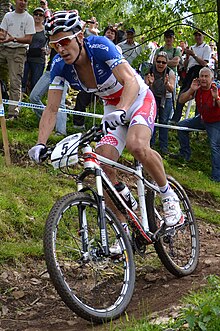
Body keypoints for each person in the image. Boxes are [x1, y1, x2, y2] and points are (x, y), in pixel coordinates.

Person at [28, 10, 184, 231]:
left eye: (64, 41)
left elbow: (129, 80)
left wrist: (122, 109)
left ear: (79, 36)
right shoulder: (59, 65)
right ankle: (122, 228)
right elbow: (52, 108)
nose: (61, 49)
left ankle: (168, 195)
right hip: (112, 107)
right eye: (55, 45)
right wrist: (40, 143)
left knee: (137, 145)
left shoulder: (100, 46)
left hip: (138, 98)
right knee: (102, 161)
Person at [172, 67, 220, 182]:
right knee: (181, 126)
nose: (203, 79)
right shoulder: (197, 88)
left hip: (216, 121)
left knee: (214, 146)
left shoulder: (216, 88)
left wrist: (216, 98)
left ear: (211, 78)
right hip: (202, 119)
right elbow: (181, 100)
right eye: (201, 76)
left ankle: (216, 177)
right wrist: (191, 90)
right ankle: (185, 155)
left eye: (206, 76)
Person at [0, 0, 35, 119]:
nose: (23, 2)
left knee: (15, 81)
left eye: (25, 1)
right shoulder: (8, 16)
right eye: (21, 0)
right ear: (15, 1)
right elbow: (3, 32)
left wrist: (13, 39)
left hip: (18, 51)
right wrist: (3, 37)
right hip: (4, 48)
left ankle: (13, 113)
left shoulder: (28, 18)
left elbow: (29, 39)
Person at [170, 30, 211, 124]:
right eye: (196, 35)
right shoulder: (192, 47)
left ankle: (198, 120)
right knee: (182, 93)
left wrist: (194, 55)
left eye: (199, 35)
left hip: (200, 71)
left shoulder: (206, 47)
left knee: (199, 95)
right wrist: (188, 56)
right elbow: (185, 65)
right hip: (190, 72)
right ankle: (175, 118)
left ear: (203, 36)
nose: (197, 37)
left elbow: (204, 63)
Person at [29, 47, 69, 136]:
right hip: (49, 71)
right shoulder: (52, 37)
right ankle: (49, 122)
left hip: (63, 73)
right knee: (33, 97)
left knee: (60, 103)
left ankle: (60, 132)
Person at [145, 51, 176, 155]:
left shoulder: (170, 72)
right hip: (153, 96)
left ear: (166, 63)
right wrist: (150, 83)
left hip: (165, 98)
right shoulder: (150, 70)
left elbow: (172, 89)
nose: (161, 64)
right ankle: (150, 144)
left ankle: (164, 147)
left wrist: (167, 84)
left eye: (163, 62)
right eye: (159, 61)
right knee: (152, 120)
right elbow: (145, 86)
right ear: (155, 61)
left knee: (164, 122)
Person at [22, 7, 47, 94]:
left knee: (35, 81)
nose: (38, 16)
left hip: (39, 59)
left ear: (43, 17)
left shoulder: (45, 30)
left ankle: (33, 101)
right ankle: (21, 100)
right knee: (22, 80)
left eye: (40, 15)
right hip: (26, 57)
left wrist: (47, 50)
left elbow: (52, 43)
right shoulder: (27, 28)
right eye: (36, 14)